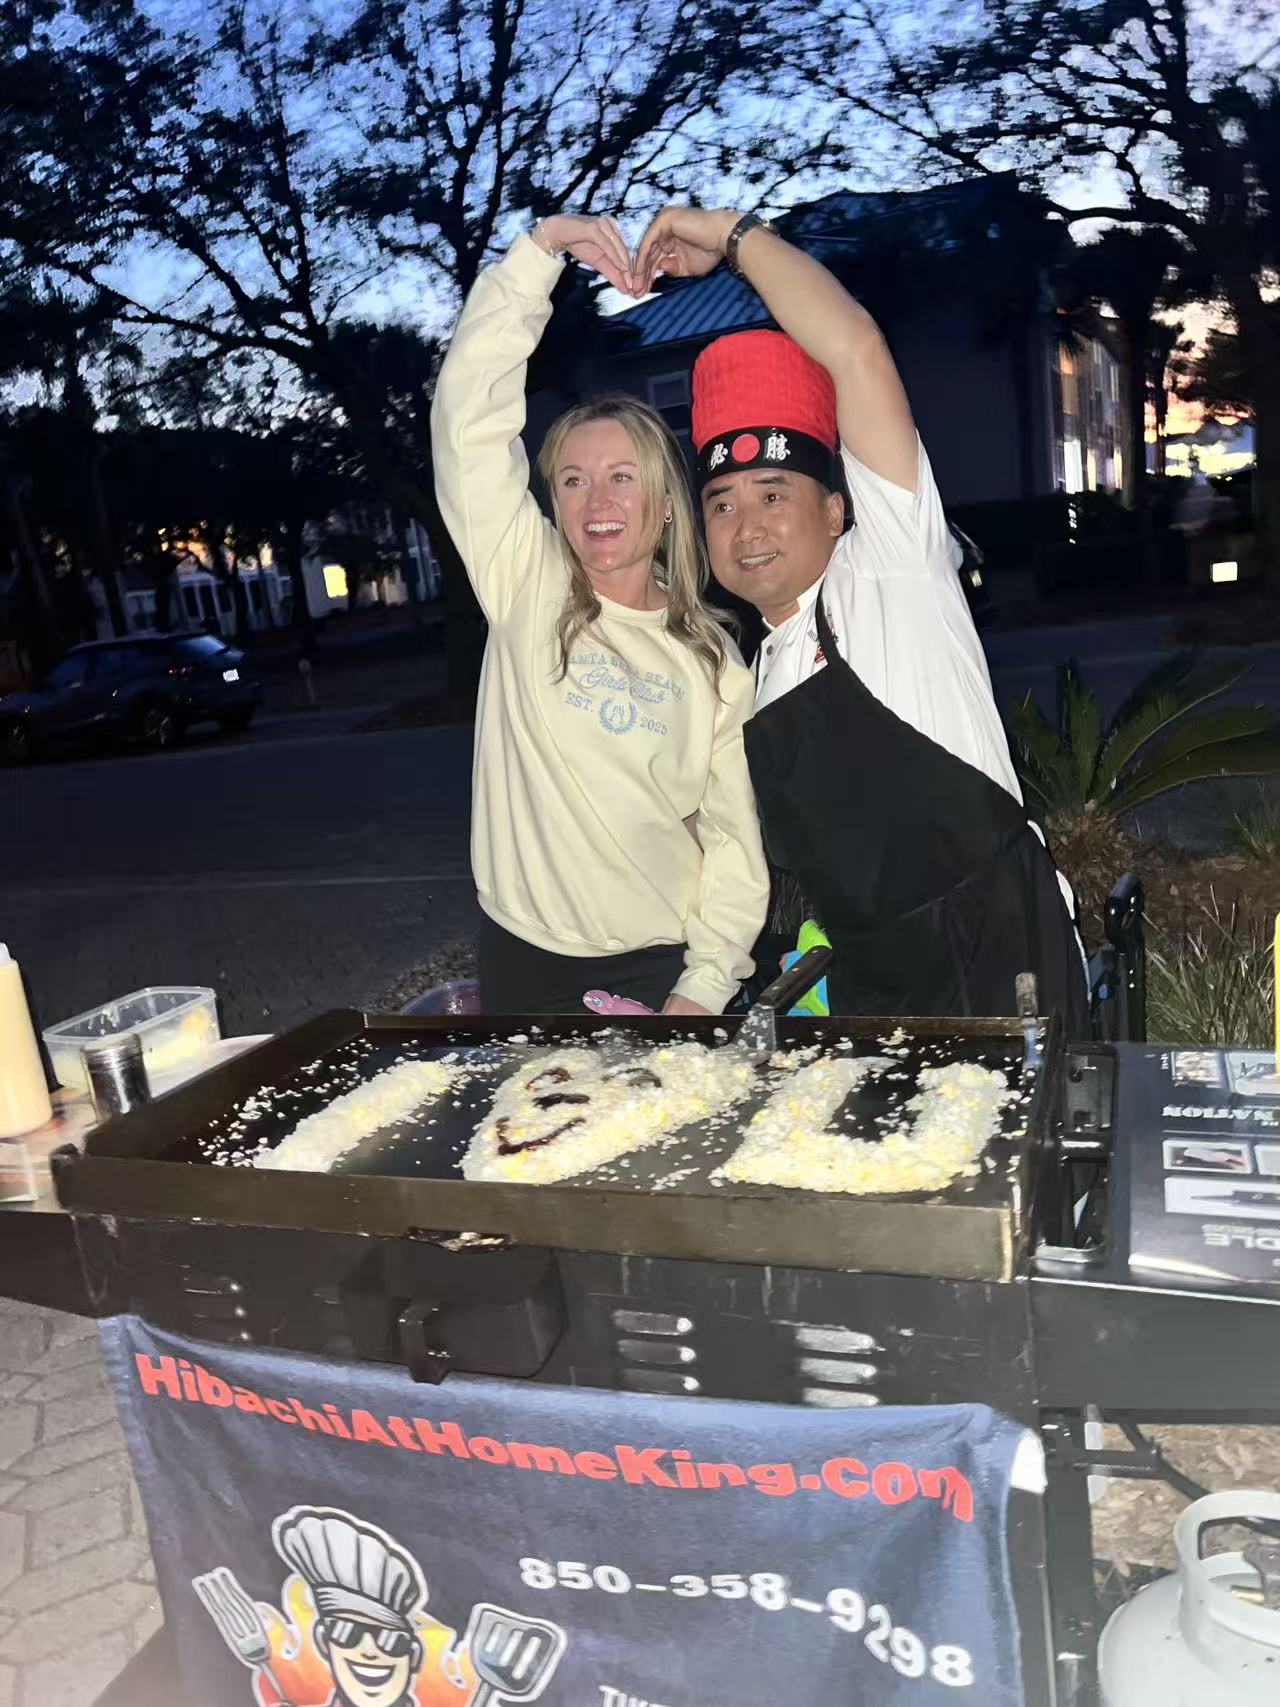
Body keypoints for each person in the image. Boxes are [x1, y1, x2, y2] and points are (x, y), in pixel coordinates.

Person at [634, 207, 1087, 1028]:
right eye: (723, 505)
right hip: (876, 994)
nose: (749, 525)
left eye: (775, 496)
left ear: (838, 510)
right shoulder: (760, 669)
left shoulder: (889, 576)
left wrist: (735, 240)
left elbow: (855, 349)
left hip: (1005, 973)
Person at [431, 215, 768, 1016]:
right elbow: (467, 425)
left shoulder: (713, 659)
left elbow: (733, 841)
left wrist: (705, 984)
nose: (598, 501)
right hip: (520, 956)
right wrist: (539, 254)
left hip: (657, 965)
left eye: (622, 475)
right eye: (574, 480)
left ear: (662, 500)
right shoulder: (525, 577)